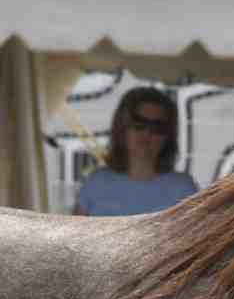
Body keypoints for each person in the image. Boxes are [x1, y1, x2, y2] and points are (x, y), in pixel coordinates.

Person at [72, 86, 198, 216]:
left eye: (158, 127)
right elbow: (74, 235)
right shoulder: (96, 183)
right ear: (122, 128)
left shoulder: (183, 189)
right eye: (139, 124)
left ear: (168, 136)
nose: (147, 133)